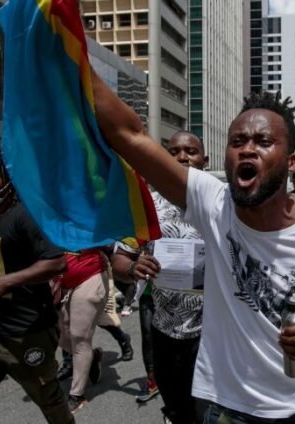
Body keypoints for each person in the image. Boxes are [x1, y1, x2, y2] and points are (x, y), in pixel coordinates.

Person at [91, 71, 295, 421]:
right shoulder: (213, 204)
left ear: (291, 161)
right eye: (237, 141)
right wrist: (69, 52)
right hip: (222, 405)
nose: (248, 148)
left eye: (263, 141)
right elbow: (129, 134)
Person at [0, 155, 73, 424]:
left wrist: (6, 282)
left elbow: (57, 263)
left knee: (50, 401)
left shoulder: (27, 217)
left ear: (9, 186)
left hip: (30, 331)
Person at [112, 131, 209, 423]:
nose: (182, 157)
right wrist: (133, 268)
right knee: (176, 406)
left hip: (212, 330)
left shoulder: (221, 205)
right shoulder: (146, 206)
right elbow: (119, 259)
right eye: (174, 151)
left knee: (209, 410)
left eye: (190, 151)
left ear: (205, 160)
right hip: (164, 327)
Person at [55, 249, 111, 413]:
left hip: (91, 276)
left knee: (79, 338)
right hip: (63, 283)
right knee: (61, 335)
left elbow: (109, 242)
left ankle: (77, 395)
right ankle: (91, 357)